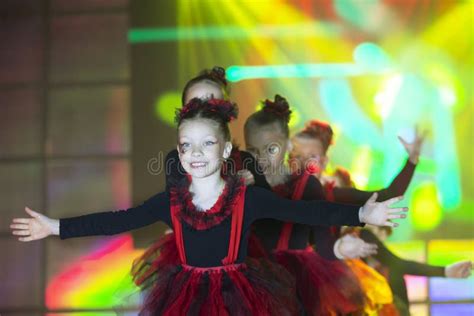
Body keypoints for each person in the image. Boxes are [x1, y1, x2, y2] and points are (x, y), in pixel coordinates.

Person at [11, 98, 407, 315]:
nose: (195, 153)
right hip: (184, 299)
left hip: (240, 298)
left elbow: (308, 213)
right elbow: (119, 219)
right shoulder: (170, 203)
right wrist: (57, 227)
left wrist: (362, 213)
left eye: (206, 144)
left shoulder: (247, 198)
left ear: (227, 150)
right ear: (178, 153)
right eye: (186, 145)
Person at [332, 166, 473, 314]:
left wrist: (445, 271)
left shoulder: (363, 237)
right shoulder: (316, 233)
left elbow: (400, 264)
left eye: (337, 191)